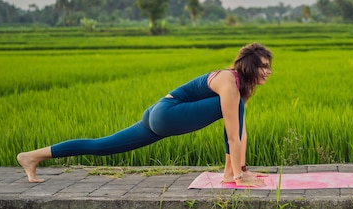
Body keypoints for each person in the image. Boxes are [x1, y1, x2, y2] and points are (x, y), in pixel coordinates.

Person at [17, 42, 272, 187]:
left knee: (101, 146)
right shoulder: (229, 83)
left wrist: (242, 168)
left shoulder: (235, 86)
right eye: (264, 67)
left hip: (157, 114)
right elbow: (233, 134)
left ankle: (31, 157)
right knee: (233, 110)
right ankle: (231, 174)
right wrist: (240, 176)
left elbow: (240, 130)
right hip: (167, 114)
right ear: (250, 65)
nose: (269, 72)